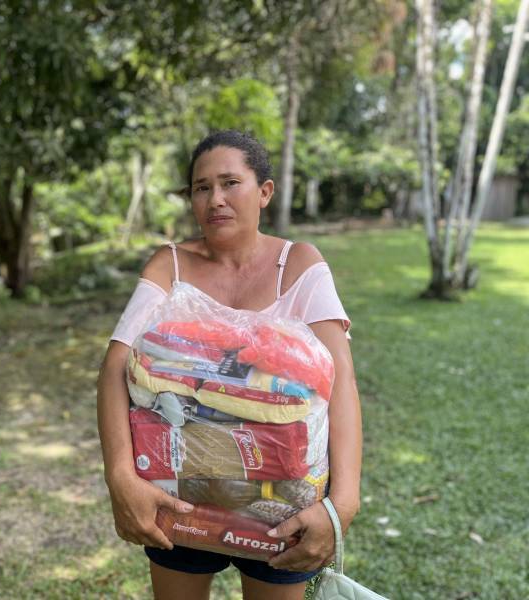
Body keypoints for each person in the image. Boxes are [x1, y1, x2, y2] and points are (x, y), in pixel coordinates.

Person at [97, 130, 362, 600]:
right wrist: (120, 477)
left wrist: (341, 505)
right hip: (179, 496)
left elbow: (340, 382)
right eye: (202, 187)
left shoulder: (299, 264)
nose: (215, 199)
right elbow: (116, 364)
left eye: (230, 183)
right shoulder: (170, 265)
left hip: (284, 505)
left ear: (265, 192)